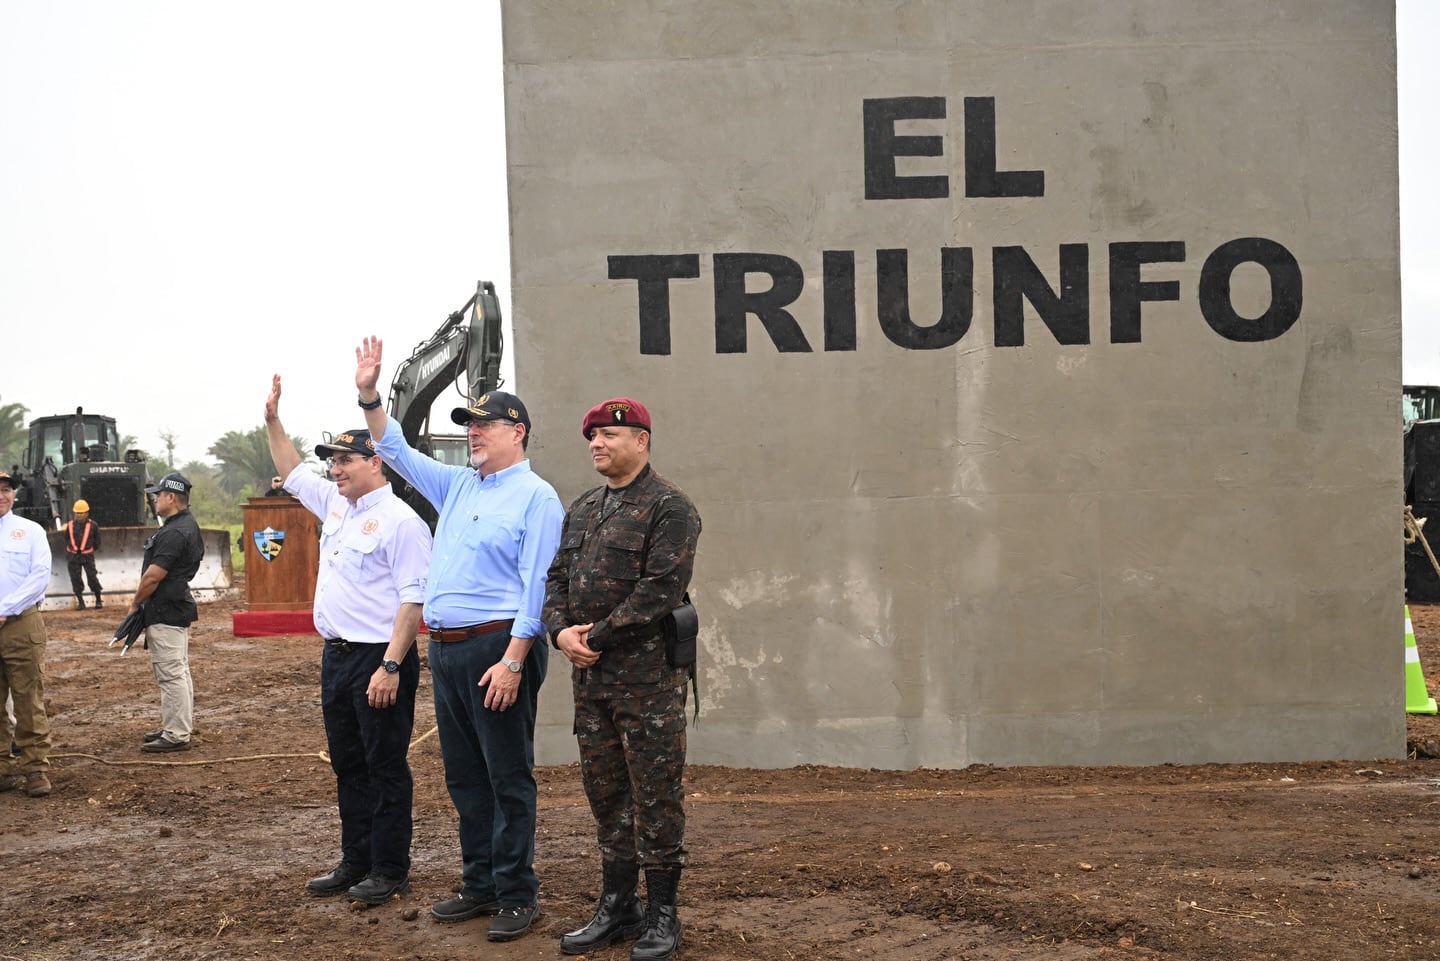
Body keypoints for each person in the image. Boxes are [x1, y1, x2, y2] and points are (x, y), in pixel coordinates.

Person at [354, 337, 564, 942]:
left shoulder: (537, 496)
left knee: (507, 777)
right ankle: (481, 884)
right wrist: (369, 393)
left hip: (497, 649)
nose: (473, 433)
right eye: (469, 425)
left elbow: (536, 587)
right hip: (446, 651)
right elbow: (391, 446)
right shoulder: (459, 486)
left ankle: (518, 895)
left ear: (517, 431)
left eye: (484, 424)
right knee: (465, 778)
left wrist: (515, 661)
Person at [264, 374, 434, 906]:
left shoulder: (402, 522)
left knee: (384, 765)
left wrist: (390, 665)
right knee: (348, 763)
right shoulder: (337, 505)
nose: (334, 469)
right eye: (332, 462)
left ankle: (389, 867)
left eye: (345, 460)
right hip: (336, 656)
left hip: (379, 658)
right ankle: (355, 859)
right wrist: (272, 420)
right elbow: (291, 469)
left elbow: (413, 601)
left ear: (375, 462)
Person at [543, 398, 701, 961]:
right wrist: (560, 632)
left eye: (611, 433)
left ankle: (662, 914)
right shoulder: (584, 508)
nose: (597, 443)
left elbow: (659, 590)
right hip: (593, 682)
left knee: (655, 795)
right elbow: (556, 576)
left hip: (648, 682)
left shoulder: (670, 508)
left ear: (642, 440)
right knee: (606, 792)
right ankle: (618, 905)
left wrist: (595, 637)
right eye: (592, 436)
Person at [126, 472, 205, 753]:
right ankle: (175, 725)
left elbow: (153, 576)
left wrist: (136, 603)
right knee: (178, 671)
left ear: (171, 497)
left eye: (159, 494)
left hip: (166, 610)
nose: (155, 498)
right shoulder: (185, 525)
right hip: (175, 606)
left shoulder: (173, 532)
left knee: (171, 673)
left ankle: (176, 734)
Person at [0, 469, 54, 798]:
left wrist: (5, 608)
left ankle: (35, 767)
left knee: (27, 699)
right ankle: (2, 769)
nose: (2, 495)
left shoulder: (30, 531)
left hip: (21, 624)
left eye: (7, 490)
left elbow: (40, 576)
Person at [65, 498, 104, 610]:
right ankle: (81, 602)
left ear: (87, 513)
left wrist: (88, 550)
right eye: (77, 513)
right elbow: (67, 538)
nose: (79, 515)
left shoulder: (93, 525)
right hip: (73, 556)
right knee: (75, 578)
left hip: (87, 556)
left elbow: (97, 542)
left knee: (92, 577)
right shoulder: (70, 525)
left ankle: (98, 600)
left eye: (81, 513)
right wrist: (73, 549)